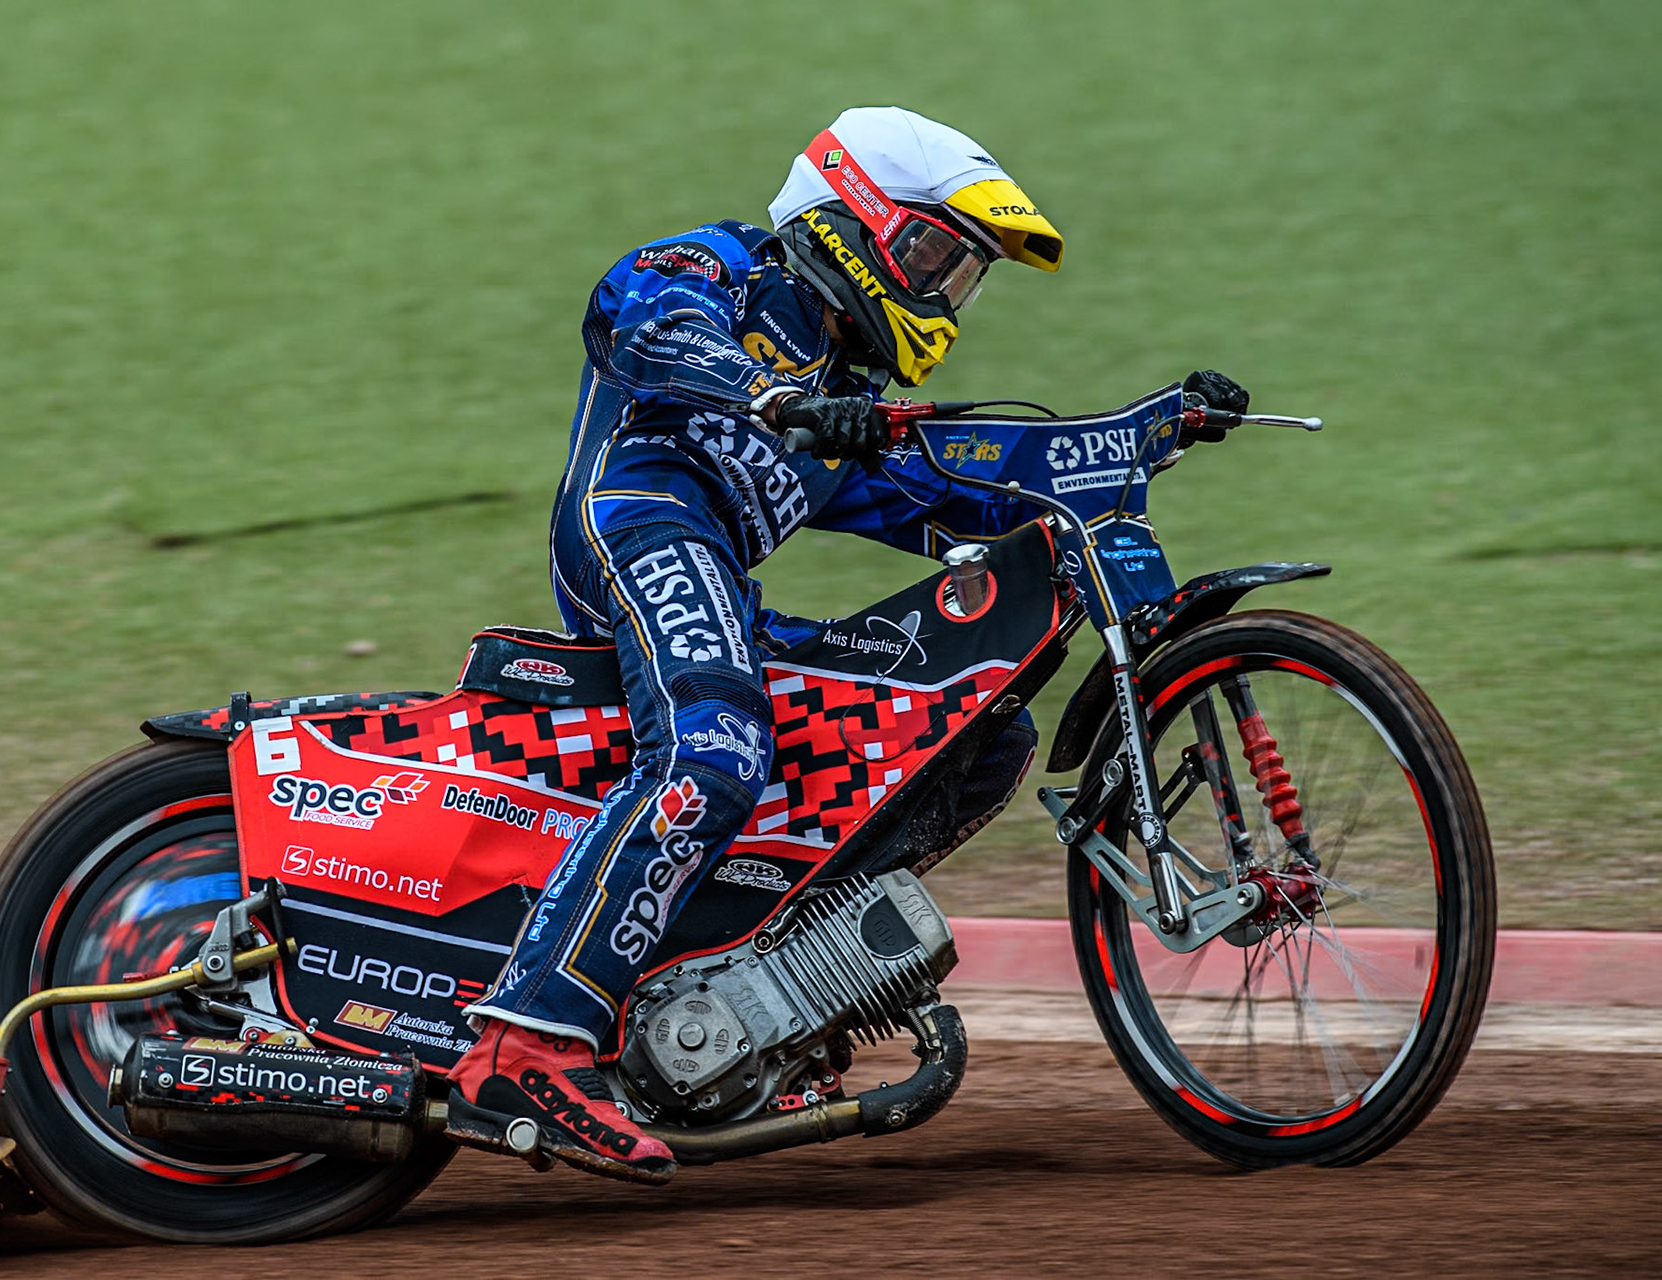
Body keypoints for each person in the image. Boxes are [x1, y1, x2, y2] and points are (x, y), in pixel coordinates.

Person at [446, 106, 1249, 1183]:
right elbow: (637, 318)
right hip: (635, 522)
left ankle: (764, 999)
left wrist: (1148, 434)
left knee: (970, 731)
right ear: (850, 220)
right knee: (715, 748)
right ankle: (529, 1038)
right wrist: (773, 393)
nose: (944, 293)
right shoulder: (723, 265)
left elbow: (967, 491)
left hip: (721, 574)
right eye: (932, 255)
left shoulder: (850, 395)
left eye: (964, 275)